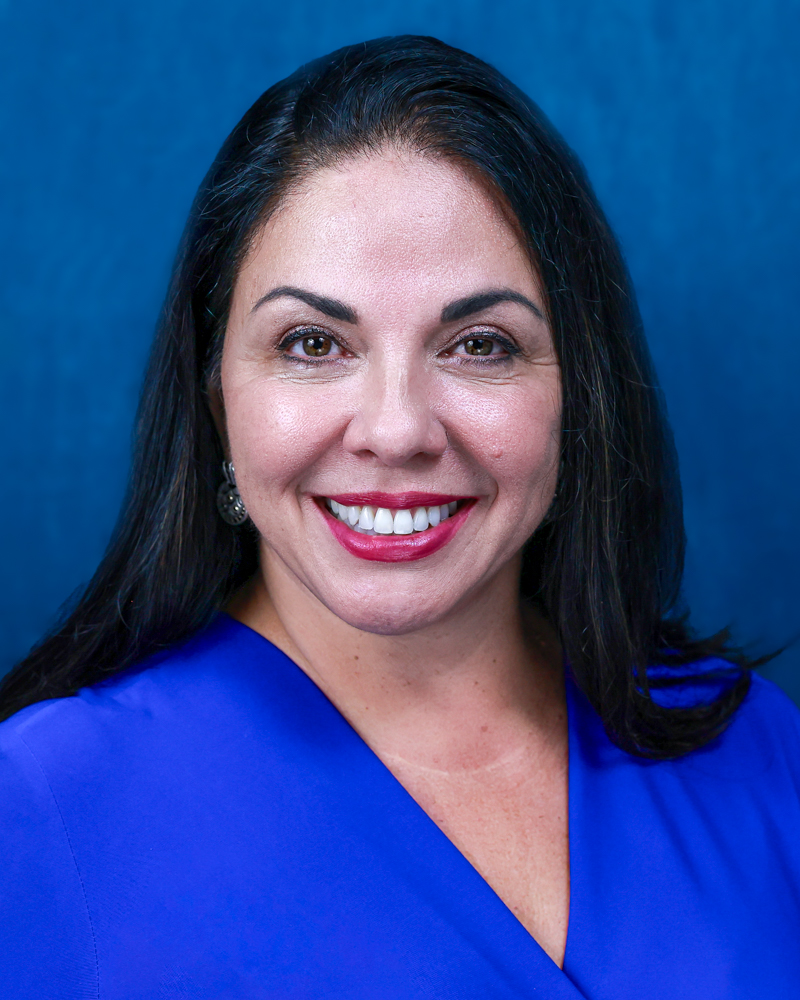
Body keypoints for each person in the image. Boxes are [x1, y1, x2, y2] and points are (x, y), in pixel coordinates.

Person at [1, 35, 798, 999]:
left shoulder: (759, 754)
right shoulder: (40, 811)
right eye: (310, 343)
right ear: (215, 396)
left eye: (479, 345)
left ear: (578, 397)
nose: (395, 430)